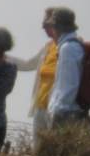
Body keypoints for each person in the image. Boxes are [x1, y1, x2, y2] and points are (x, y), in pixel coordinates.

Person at [9, 8, 59, 142]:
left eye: (47, 25)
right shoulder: (48, 46)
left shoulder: (72, 46)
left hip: (58, 107)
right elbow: (28, 64)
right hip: (41, 105)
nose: (44, 29)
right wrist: (0, 55)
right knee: (38, 150)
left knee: (57, 148)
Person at [46, 6, 88, 126]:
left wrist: (57, 110)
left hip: (66, 114)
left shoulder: (68, 49)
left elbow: (68, 85)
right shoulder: (75, 45)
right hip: (71, 112)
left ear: (56, 28)